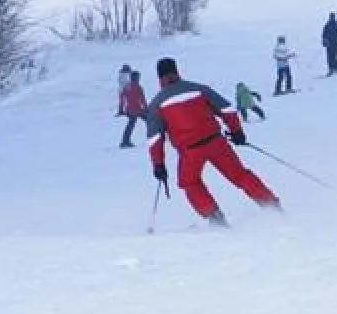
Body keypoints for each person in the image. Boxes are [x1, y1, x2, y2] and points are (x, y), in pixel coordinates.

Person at [147, 58, 280, 227]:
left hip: (190, 152)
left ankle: (214, 216)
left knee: (189, 182)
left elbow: (155, 139)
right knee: (239, 175)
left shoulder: (158, 104)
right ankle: (271, 205)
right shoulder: (199, 89)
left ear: (159, 78)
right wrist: (236, 131)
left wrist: (158, 164)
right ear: (177, 72)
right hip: (216, 142)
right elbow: (227, 109)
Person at [118, 70, 148, 148]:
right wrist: (146, 108)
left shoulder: (126, 86)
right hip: (138, 110)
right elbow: (142, 99)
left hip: (129, 110)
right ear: (136, 78)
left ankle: (125, 141)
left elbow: (122, 98)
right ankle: (157, 136)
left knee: (130, 125)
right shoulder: (138, 87)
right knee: (150, 121)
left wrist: (121, 109)